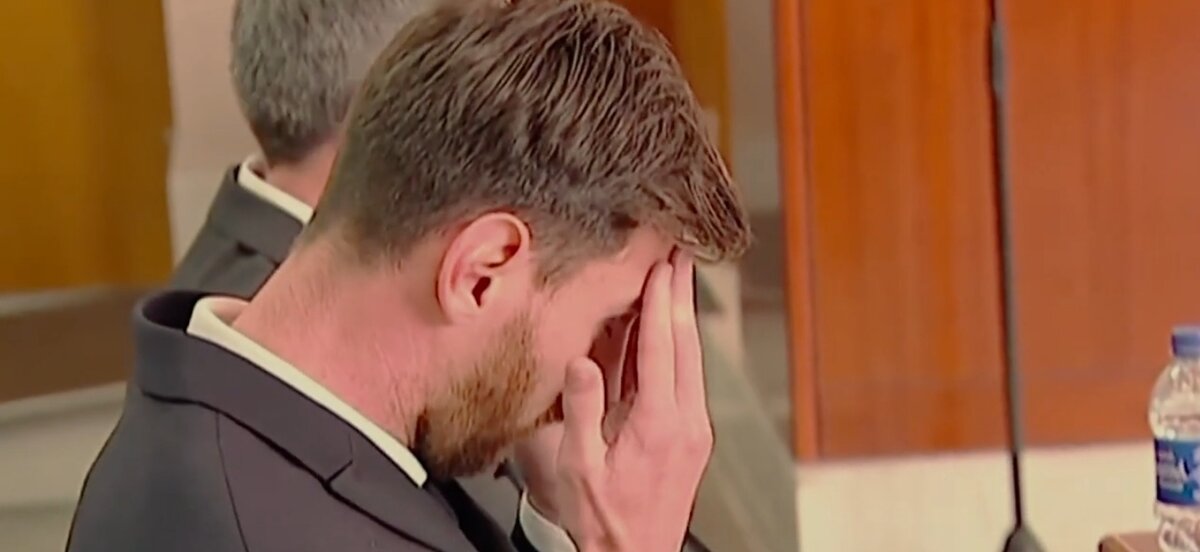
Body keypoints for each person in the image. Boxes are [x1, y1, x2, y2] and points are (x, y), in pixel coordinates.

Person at [69, 0, 749, 550]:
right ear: (482, 273)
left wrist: (562, 523)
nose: (605, 369)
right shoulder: (244, 527)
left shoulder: (305, 428)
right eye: (611, 322)